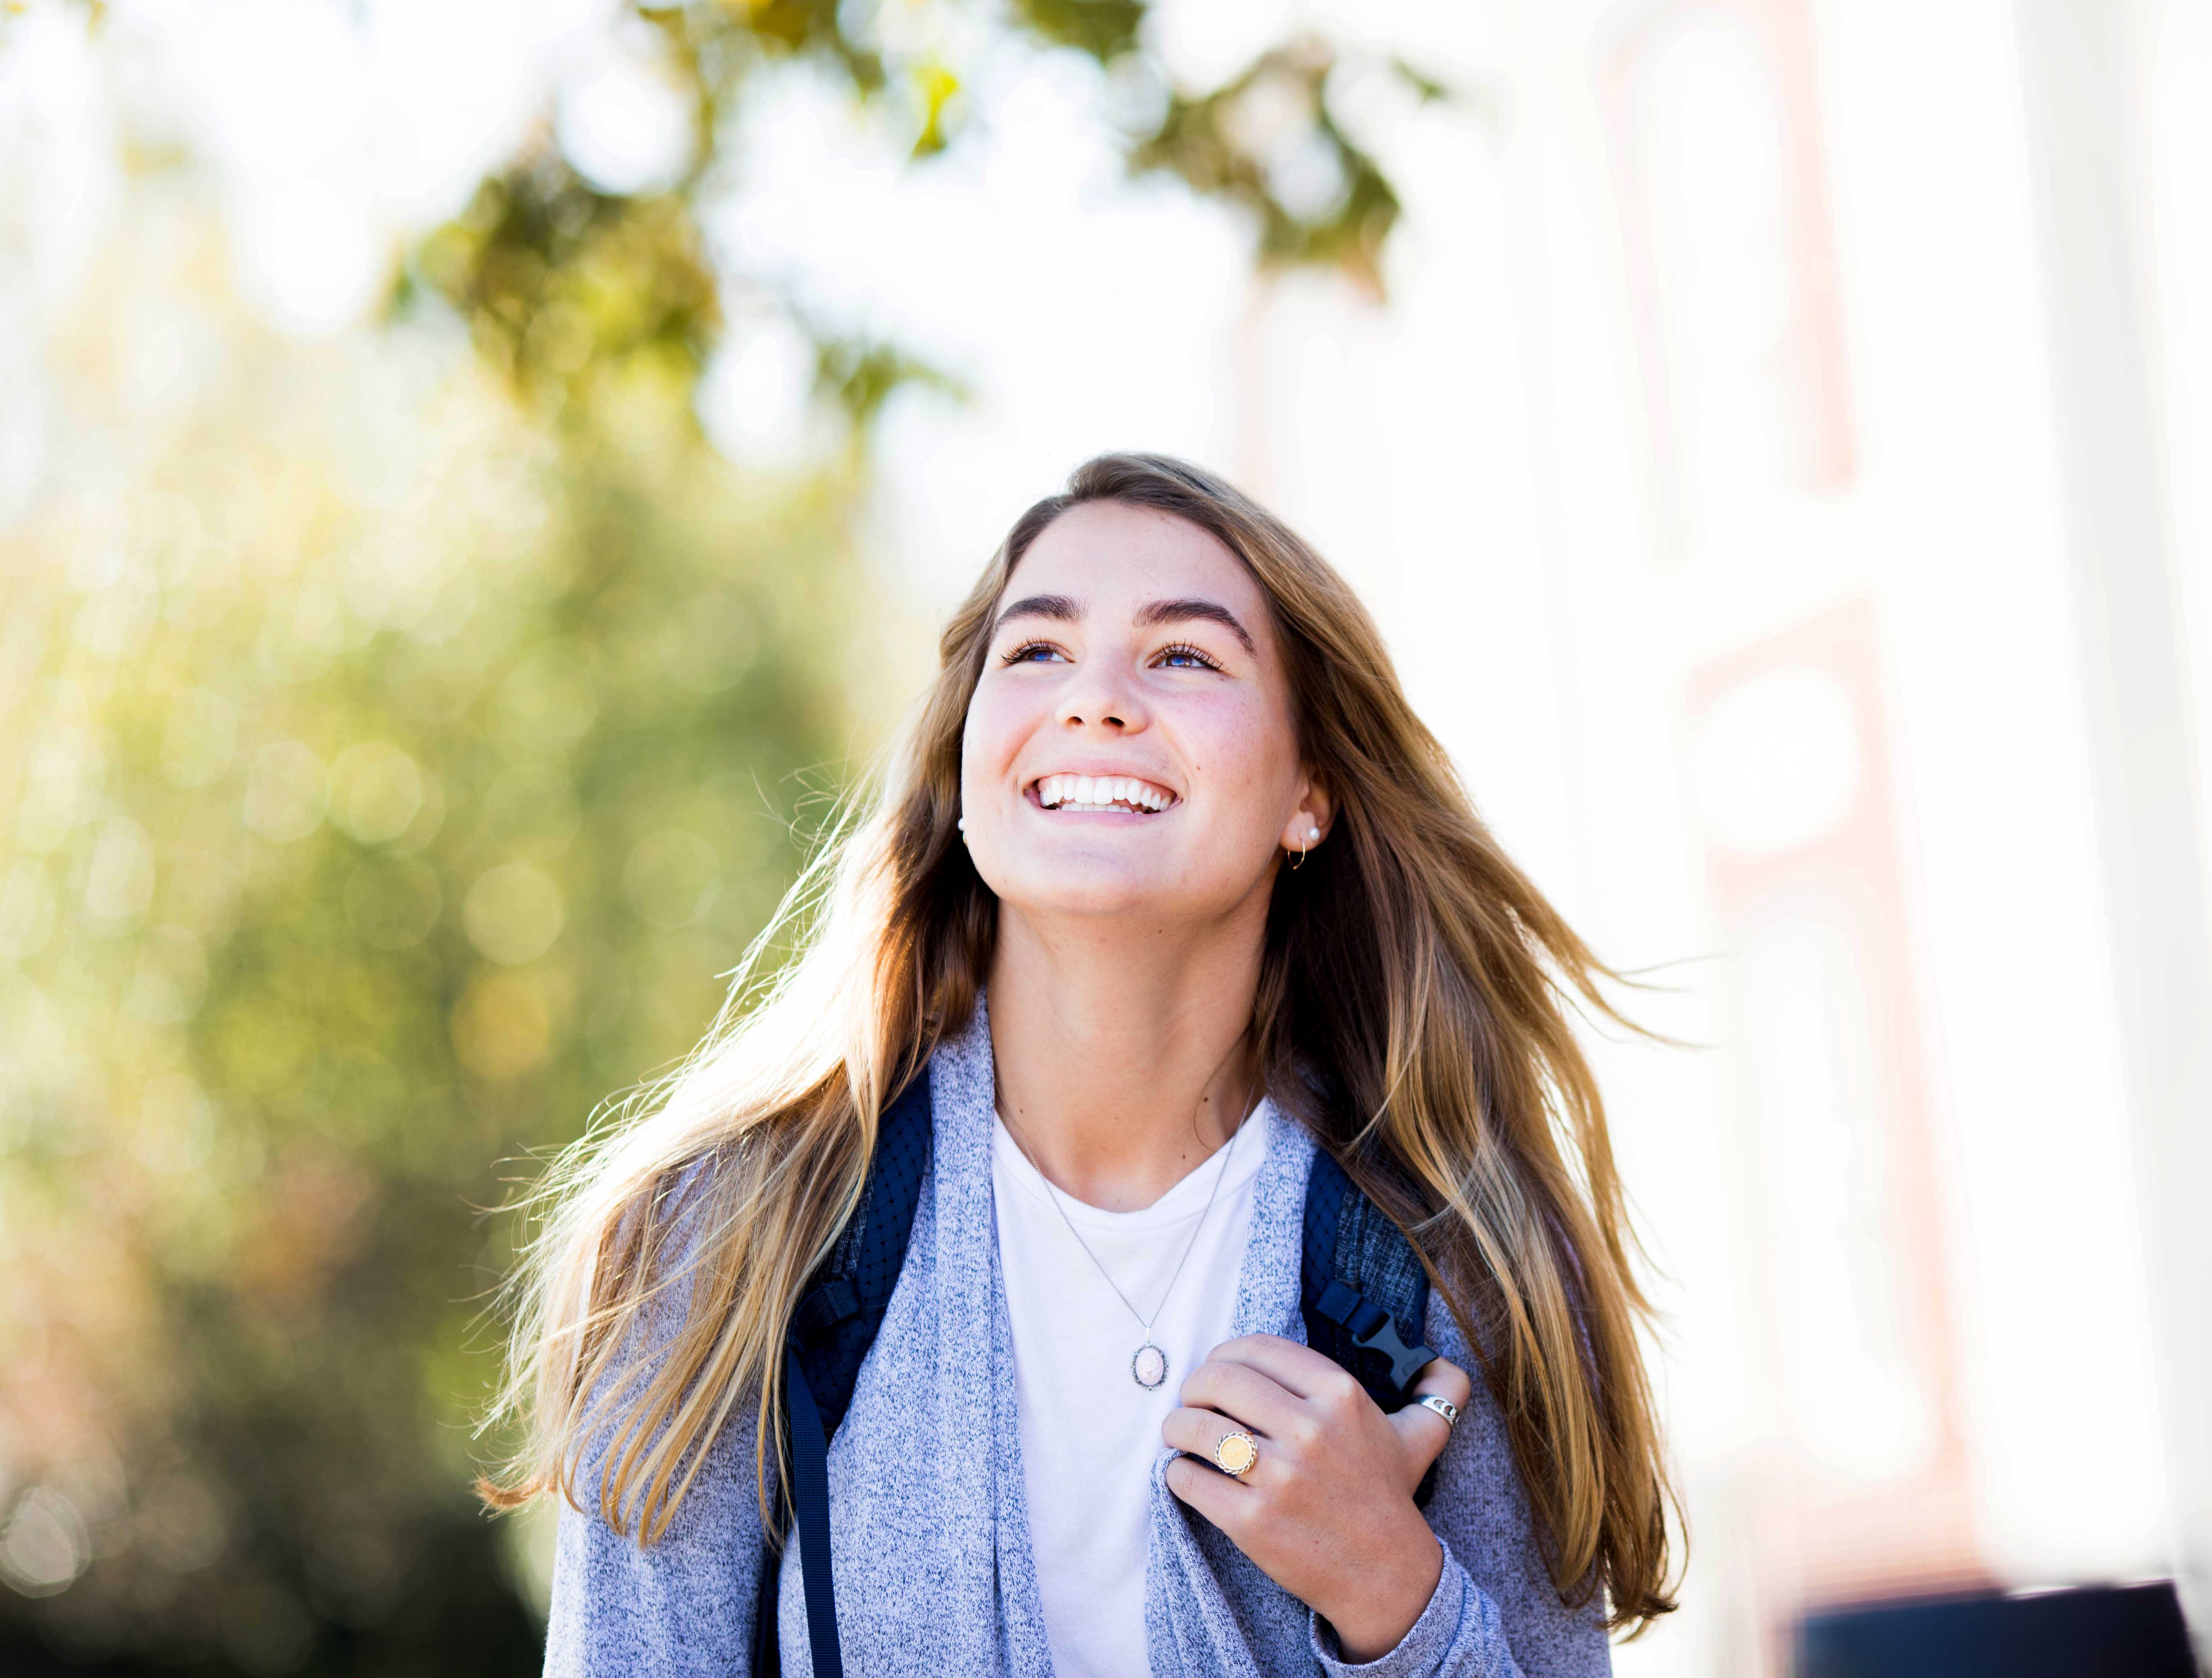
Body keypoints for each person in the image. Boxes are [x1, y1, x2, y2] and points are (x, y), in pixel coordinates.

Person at [483, 453, 1678, 1675]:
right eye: (1037, 652)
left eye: (1184, 657)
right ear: (965, 762)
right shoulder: (727, 1238)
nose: (1094, 700)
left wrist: (1394, 1594)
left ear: (1308, 790)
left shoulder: (1461, 1267)